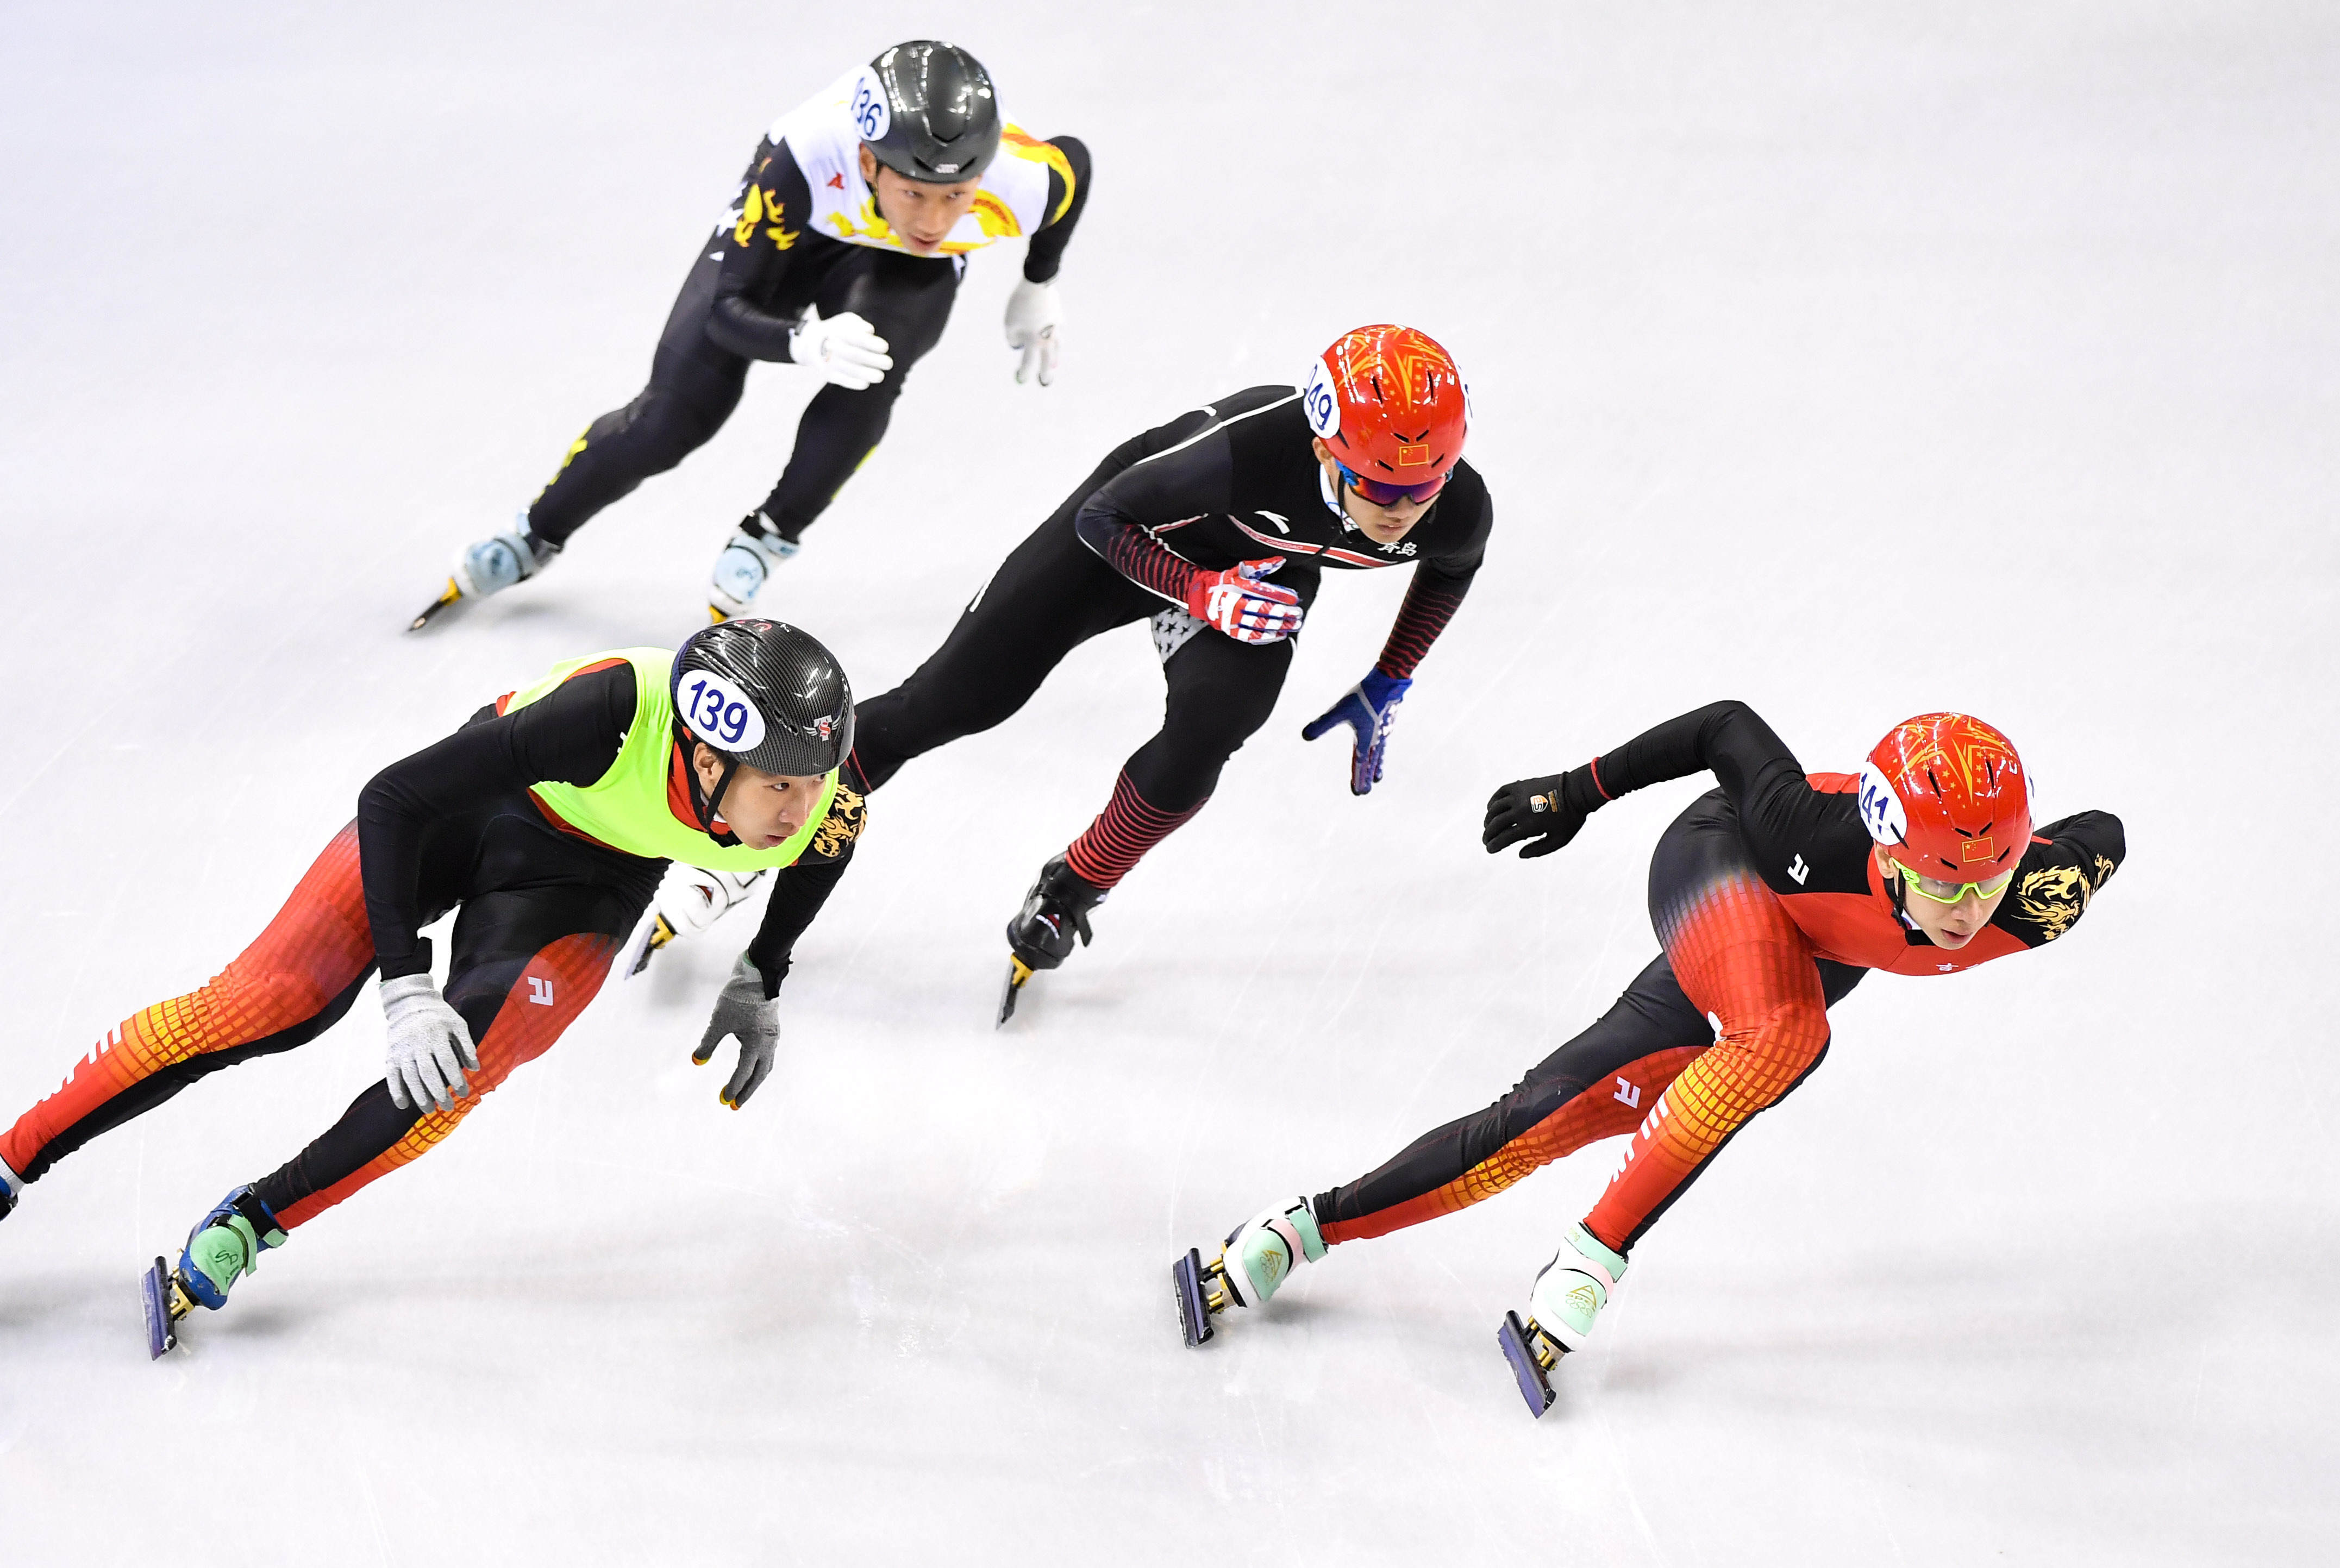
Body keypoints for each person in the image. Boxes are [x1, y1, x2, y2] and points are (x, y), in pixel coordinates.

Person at [0, 620, 870, 1354]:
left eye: (807, 786)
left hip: (587, 880)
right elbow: (393, 797)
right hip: (473, 813)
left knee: (461, 1071)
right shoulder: (607, 717)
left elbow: (824, 852)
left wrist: (759, 976)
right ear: (702, 754)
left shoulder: (823, 791)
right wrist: (404, 986)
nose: (795, 810)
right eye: (775, 787)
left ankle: (256, 1220)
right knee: (272, 1002)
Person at [1173, 704, 2126, 1416]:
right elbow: (1726, 726)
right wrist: (1576, 790)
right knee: (1787, 1036)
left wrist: (2061, 862)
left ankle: (1299, 1230)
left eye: (1987, 882)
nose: (1966, 911)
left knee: (1548, 1116)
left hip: (1793, 959)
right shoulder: (1811, 832)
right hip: (1723, 865)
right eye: (1937, 883)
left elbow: (2103, 836)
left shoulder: (2030, 895)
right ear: (1886, 846)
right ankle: (1589, 1263)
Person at [746, 322, 1484, 1020]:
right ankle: (771, 795)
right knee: (949, 702)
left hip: (1253, 576)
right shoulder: (1245, 453)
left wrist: (1390, 677)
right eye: (1380, 489)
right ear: (1327, 452)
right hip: (1127, 542)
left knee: (1209, 734)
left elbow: (1453, 569)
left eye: (1423, 489)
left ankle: (1073, 886)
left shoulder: (1452, 505)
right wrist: (1198, 590)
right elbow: (1102, 517)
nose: (1401, 511)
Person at [414, 40, 1091, 629]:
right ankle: (535, 534)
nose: (936, 219)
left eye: (957, 196)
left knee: (871, 377)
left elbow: (1076, 165)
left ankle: (770, 536)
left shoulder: (1021, 183)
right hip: (785, 242)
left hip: (895, 272)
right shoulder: (800, 158)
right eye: (913, 192)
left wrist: (1039, 281)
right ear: (865, 160)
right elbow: (727, 308)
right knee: (674, 418)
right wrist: (802, 340)